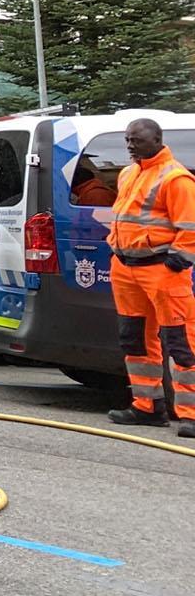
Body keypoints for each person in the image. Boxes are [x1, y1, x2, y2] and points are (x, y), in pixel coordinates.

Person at [103, 118, 195, 436]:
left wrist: (176, 262)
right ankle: (148, 406)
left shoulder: (176, 178)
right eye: (128, 140)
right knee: (135, 338)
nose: (131, 145)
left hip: (161, 270)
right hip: (126, 268)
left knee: (181, 342)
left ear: (156, 139)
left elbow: (189, 228)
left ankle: (191, 414)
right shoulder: (129, 173)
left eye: (137, 140)